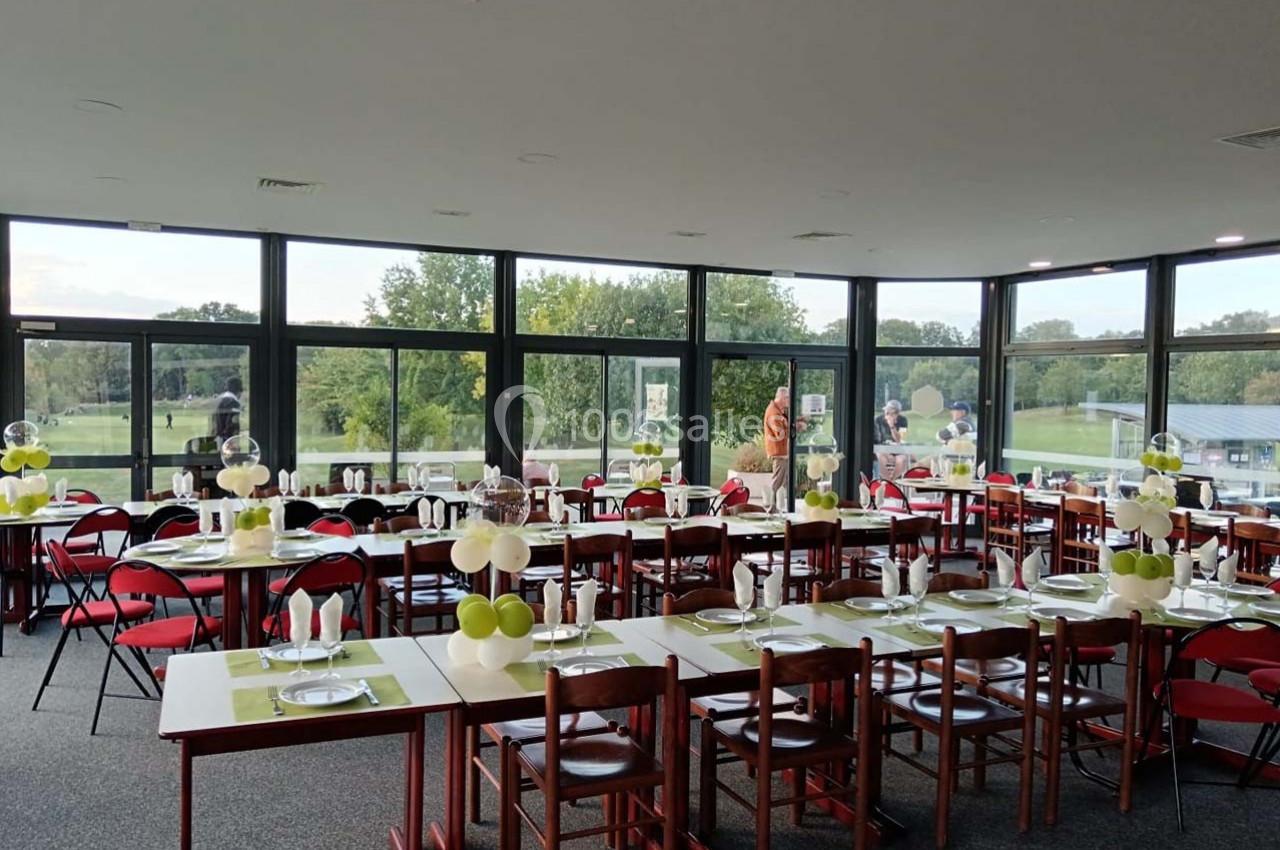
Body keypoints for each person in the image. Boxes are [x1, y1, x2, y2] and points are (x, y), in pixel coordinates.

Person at [763, 387, 806, 500]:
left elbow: (785, 423)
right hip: (779, 453)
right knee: (778, 483)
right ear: (782, 398)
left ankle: (782, 508)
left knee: (785, 483)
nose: (789, 401)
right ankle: (771, 508)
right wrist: (798, 427)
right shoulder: (773, 412)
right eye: (788, 398)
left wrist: (799, 420)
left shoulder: (778, 411)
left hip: (783, 452)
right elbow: (780, 434)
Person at [874, 399, 910, 479]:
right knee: (880, 456)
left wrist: (892, 426)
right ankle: (887, 481)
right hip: (883, 448)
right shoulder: (878, 420)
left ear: (896, 413)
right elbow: (877, 440)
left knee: (901, 460)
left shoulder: (903, 420)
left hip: (897, 448)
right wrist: (887, 452)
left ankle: (892, 481)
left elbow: (899, 439)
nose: (887, 414)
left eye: (890, 412)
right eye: (886, 412)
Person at [211, 377, 243, 443]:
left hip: (215, 439)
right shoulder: (234, 403)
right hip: (227, 442)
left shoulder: (218, 400)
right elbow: (232, 426)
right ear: (239, 391)